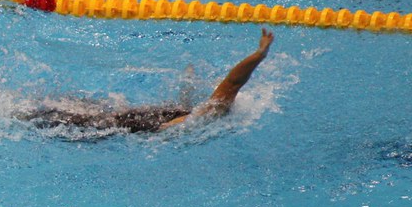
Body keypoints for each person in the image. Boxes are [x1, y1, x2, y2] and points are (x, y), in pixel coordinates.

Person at [23, 28, 273, 133]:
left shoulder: (210, 113)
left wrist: (259, 56)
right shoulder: (203, 118)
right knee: (46, 114)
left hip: (115, 126)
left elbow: (233, 83)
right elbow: (231, 85)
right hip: (117, 122)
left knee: (44, 114)